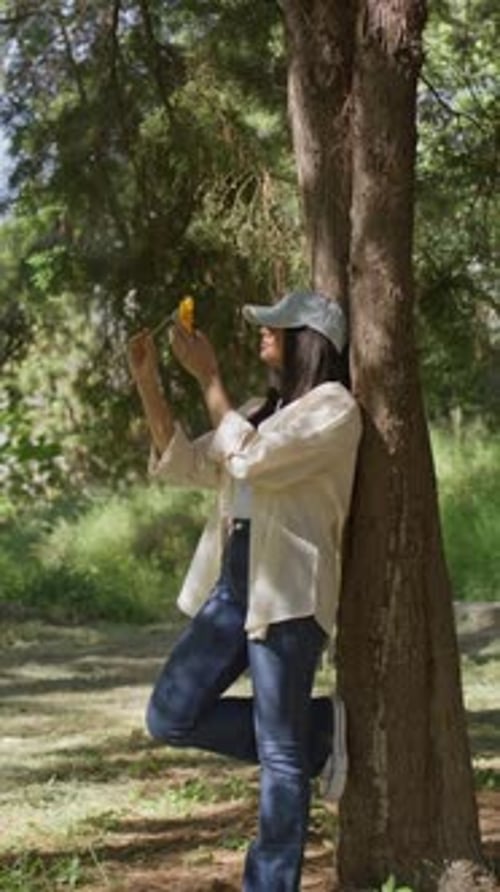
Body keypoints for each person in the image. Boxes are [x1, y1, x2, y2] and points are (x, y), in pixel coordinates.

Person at [127, 290, 362, 892]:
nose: (263, 337)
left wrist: (209, 377)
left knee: (281, 757)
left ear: (307, 340)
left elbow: (251, 461)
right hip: (234, 587)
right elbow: (186, 464)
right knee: (169, 716)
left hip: (287, 594)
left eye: (275, 329)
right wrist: (151, 381)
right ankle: (322, 731)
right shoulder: (260, 408)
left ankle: (269, 884)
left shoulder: (334, 410)